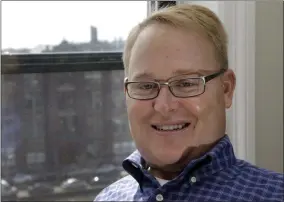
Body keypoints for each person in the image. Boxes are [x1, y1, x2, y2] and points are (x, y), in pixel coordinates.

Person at [95, 4, 284, 202]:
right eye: (146, 86)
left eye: (186, 83)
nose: (164, 106)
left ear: (226, 89)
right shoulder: (107, 198)